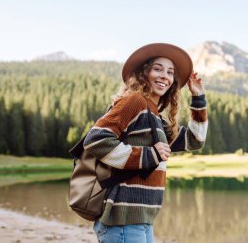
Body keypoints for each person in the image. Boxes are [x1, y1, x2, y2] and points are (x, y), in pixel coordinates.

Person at [83, 43, 208, 243]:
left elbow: (196, 140)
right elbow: (95, 139)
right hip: (122, 219)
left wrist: (198, 97)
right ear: (143, 73)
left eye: (170, 72)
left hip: (141, 219)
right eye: (157, 69)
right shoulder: (134, 102)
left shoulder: (154, 116)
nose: (164, 76)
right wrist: (148, 155)